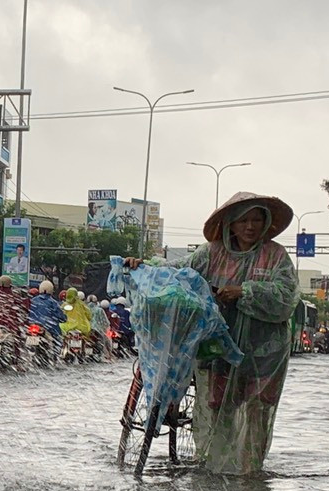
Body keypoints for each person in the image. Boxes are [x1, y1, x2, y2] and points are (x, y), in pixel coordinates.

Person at [127, 191, 297, 474]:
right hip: (218, 348)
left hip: (264, 352)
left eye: (257, 219)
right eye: (244, 220)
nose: (250, 226)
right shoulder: (211, 253)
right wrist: (143, 264)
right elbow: (178, 271)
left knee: (255, 411)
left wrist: (245, 291)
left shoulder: (275, 255)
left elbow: (286, 296)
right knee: (217, 407)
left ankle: (248, 472)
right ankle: (213, 468)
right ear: (231, 223)